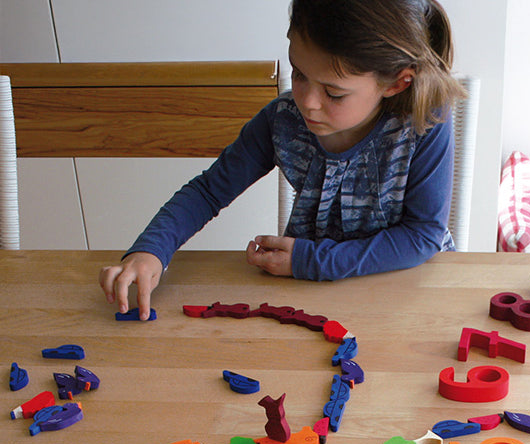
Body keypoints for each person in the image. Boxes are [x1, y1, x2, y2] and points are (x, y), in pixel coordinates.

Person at [100, 0, 465, 320]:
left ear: (396, 84)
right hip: (307, 298)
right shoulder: (282, 120)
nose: (307, 101)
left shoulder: (425, 121)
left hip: (404, 295)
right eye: (300, 74)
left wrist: (312, 261)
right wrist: (151, 250)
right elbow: (208, 192)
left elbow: (422, 235)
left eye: (334, 93)